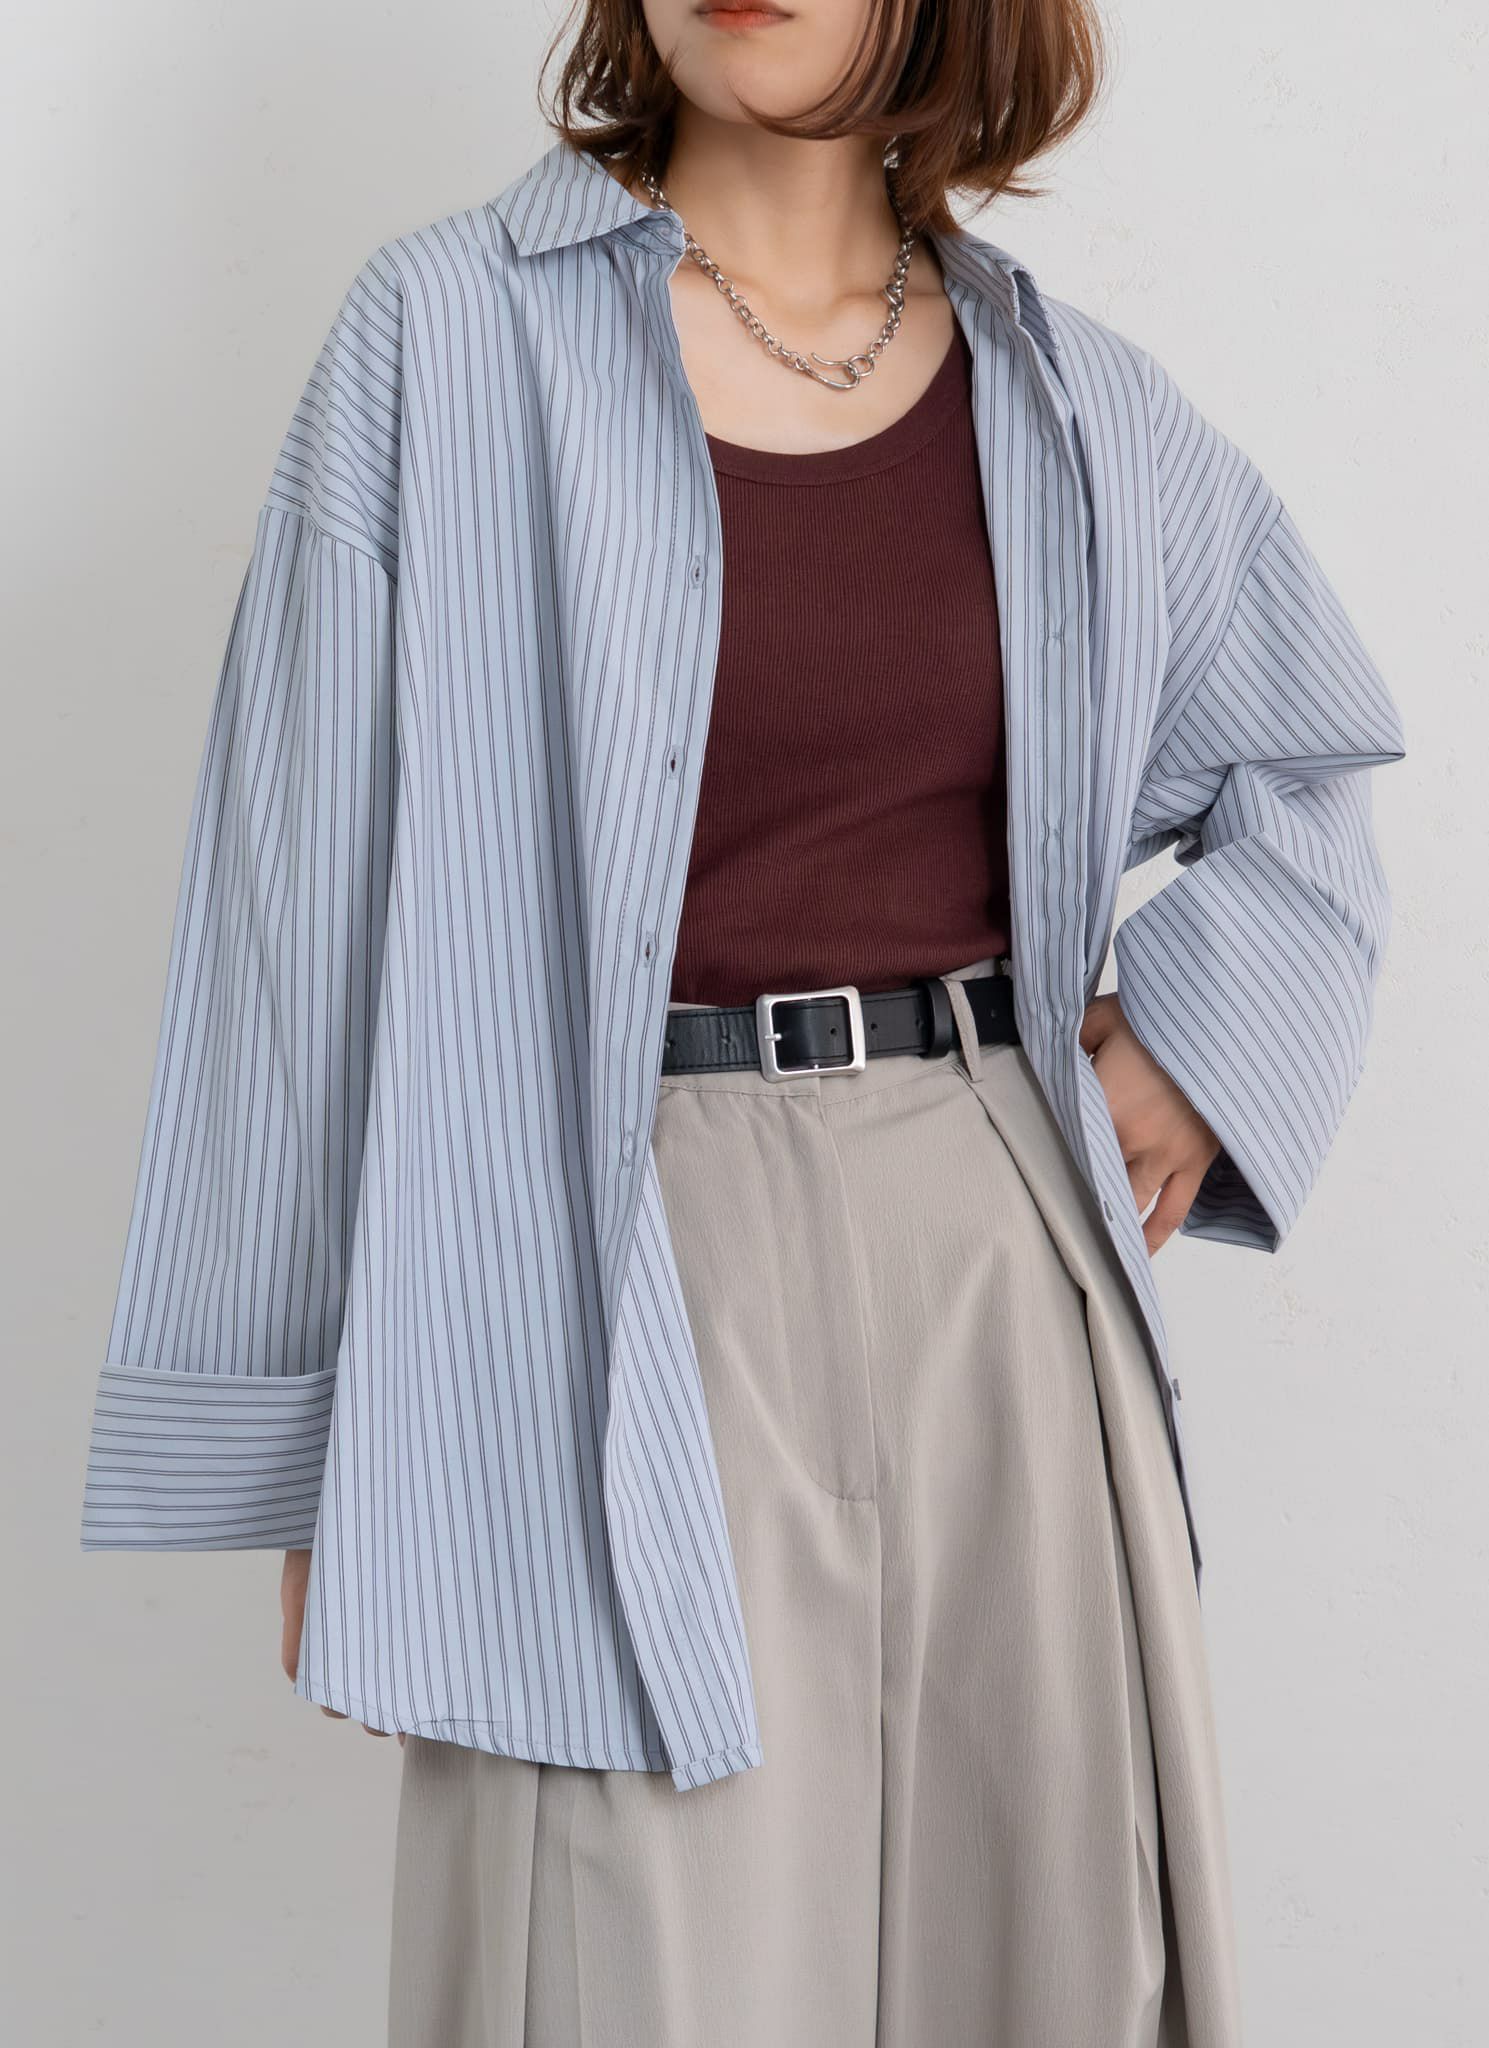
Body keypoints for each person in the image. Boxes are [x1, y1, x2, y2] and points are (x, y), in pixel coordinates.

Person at [79, 0, 1407, 2042]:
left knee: (1037, 1960)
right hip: (603, 1279)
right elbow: (290, 903)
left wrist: (1198, 1040)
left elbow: (1304, 753)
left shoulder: (1070, 400)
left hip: (996, 1262)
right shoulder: (446, 337)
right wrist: (308, 1435)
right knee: (622, 1964)